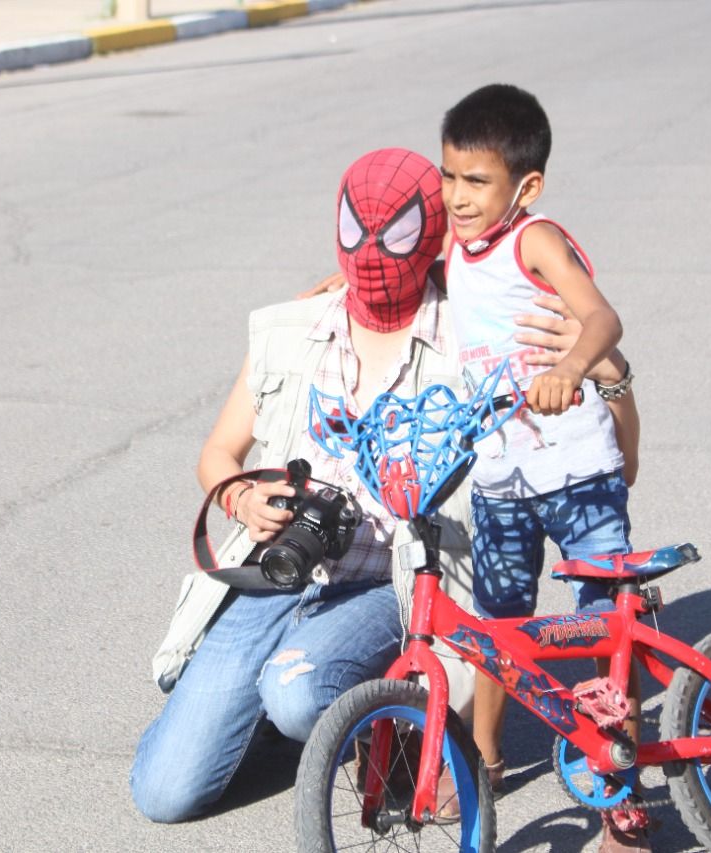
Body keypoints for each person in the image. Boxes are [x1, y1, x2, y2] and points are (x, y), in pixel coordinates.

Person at [129, 147, 624, 825]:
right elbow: (218, 453)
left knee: (298, 692)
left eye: (392, 236)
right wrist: (242, 496)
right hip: (282, 566)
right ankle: (296, 708)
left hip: (389, 583)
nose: (368, 255)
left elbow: (608, 455)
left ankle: (365, 715)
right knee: (164, 793)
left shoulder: (474, 331)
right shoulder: (296, 328)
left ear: (432, 235)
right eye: (353, 232)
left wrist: (607, 370)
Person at [439, 83, 649, 852]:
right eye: (449, 177)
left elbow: (602, 315)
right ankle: (485, 756)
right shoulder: (457, 243)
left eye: (475, 182)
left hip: (578, 467)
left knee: (604, 628)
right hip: (502, 476)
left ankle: (622, 803)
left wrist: (570, 366)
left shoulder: (534, 238)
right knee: (499, 624)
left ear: (524, 186)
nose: (456, 197)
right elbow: (441, 287)